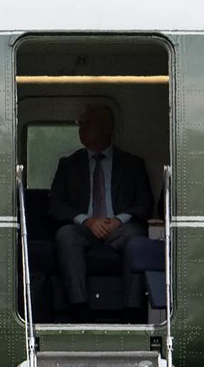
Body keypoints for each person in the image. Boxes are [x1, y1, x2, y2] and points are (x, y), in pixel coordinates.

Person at [48, 104, 154, 318]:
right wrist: (86, 221)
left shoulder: (132, 164)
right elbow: (55, 205)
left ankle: (132, 312)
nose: (81, 129)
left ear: (107, 127)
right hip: (83, 229)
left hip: (120, 228)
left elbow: (144, 204)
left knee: (136, 237)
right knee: (66, 235)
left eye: (87, 123)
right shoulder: (68, 164)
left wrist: (118, 220)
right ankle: (79, 308)